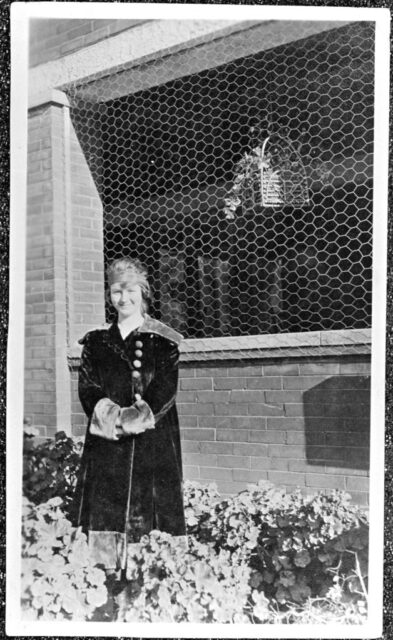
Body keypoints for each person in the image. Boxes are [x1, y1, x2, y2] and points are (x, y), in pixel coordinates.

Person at [72, 257, 186, 579]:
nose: (123, 298)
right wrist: (113, 419)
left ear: (144, 292)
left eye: (130, 290)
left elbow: (165, 389)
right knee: (106, 504)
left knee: (148, 508)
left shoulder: (164, 341)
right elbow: (88, 387)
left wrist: (135, 417)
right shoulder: (95, 343)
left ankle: (148, 572)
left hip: (151, 443)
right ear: (109, 295)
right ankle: (105, 573)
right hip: (107, 443)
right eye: (116, 291)